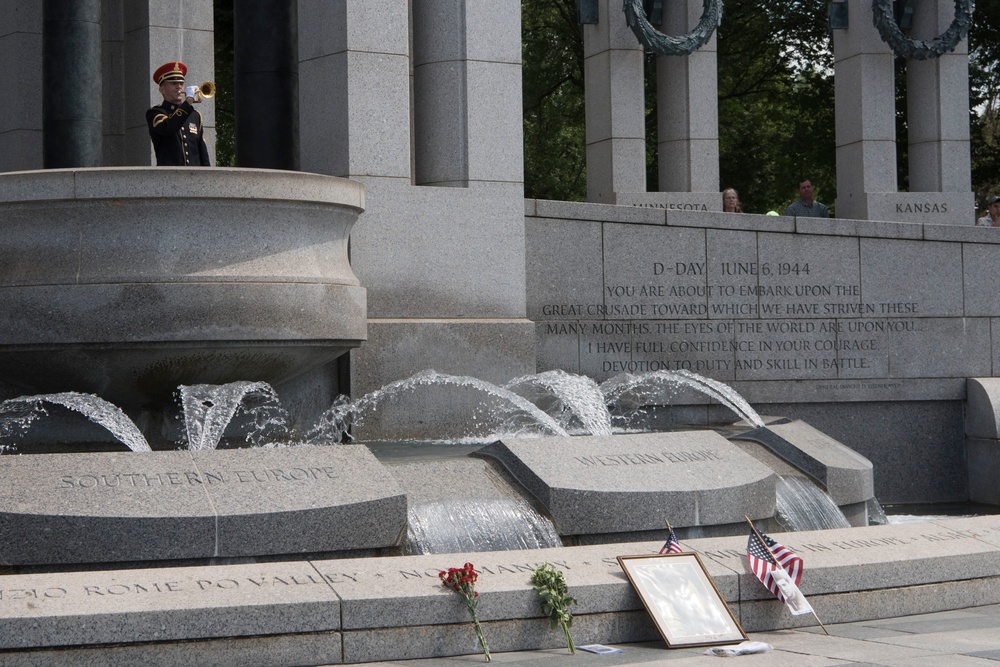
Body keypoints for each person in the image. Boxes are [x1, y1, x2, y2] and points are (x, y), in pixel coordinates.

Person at [146, 61, 210, 166]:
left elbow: (203, 152)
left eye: (181, 83)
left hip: (194, 177)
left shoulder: (195, 115)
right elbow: (169, 128)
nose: (179, 87)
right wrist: (188, 103)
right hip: (170, 177)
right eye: (173, 83)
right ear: (162, 89)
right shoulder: (155, 113)